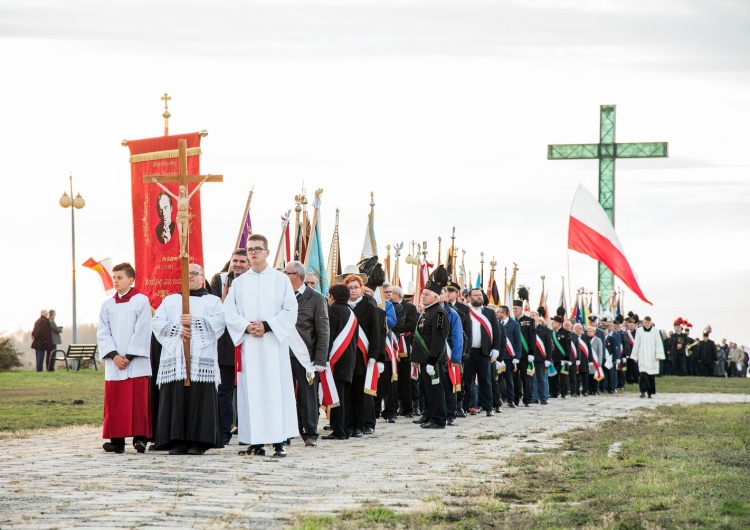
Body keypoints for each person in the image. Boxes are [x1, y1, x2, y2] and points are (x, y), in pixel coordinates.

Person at [223, 234, 299, 458]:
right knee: (251, 393)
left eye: (258, 248)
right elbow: (228, 311)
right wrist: (246, 326)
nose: (253, 252)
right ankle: (254, 441)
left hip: (273, 344)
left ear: (267, 252)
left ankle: (278, 440)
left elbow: (290, 310)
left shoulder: (280, 279)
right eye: (250, 249)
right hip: (250, 346)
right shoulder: (239, 283)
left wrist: (267, 326)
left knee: (275, 391)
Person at [152, 263, 225, 455]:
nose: (190, 276)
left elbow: (219, 324)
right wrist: (177, 329)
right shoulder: (170, 300)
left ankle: (199, 442)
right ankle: (177, 441)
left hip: (201, 358)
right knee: (176, 398)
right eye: (187, 273)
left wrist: (195, 323)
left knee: (200, 398)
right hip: (176, 358)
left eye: (194, 273)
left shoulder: (213, 301)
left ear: (203, 278)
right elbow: (157, 322)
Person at [97, 262, 152, 454]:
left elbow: (143, 329)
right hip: (115, 362)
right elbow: (103, 332)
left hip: (136, 361)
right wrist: (114, 355)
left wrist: (128, 356)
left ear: (131, 279)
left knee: (138, 401)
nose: (116, 281)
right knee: (116, 401)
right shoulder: (108, 305)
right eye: (114, 278)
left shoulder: (141, 301)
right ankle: (117, 441)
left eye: (120, 278)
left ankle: (140, 439)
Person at [283, 260, 330, 447]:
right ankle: (284, 432)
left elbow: (323, 330)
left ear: (297, 276)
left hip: (305, 355)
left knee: (308, 396)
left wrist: (320, 359)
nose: (283, 276)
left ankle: (309, 432)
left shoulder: (316, 298)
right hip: (283, 353)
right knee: (284, 394)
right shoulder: (281, 296)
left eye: (286, 273)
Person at [209, 248, 250, 444]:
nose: (238, 264)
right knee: (224, 390)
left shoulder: (254, 282)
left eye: (243, 261)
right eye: (235, 261)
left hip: (246, 341)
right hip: (224, 344)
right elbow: (214, 308)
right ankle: (224, 431)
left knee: (247, 390)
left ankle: (247, 430)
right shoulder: (220, 280)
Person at [341, 271, 380, 437]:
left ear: (361, 288)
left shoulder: (369, 307)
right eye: (350, 288)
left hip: (362, 356)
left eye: (356, 287)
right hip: (345, 356)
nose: (353, 291)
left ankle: (360, 425)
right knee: (347, 394)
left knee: (360, 393)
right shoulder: (342, 307)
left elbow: (375, 333)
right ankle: (348, 424)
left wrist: (373, 355)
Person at [411, 265, 449, 429]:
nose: (422, 296)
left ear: (435, 297)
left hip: (433, 360)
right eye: (422, 294)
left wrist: (433, 360)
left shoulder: (439, 313)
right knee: (427, 389)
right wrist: (415, 359)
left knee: (435, 390)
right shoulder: (426, 312)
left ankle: (439, 419)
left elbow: (439, 339)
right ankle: (430, 416)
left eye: (426, 295)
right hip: (424, 359)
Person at [322, 283, 358, 440]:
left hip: (336, 360)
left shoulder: (334, 310)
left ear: (332, 297)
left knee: (336, 398)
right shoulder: (351, 312)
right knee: (345, 398)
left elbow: (329, 336)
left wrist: (323, 357)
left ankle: (339, 431)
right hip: (349, 360)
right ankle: (344, 428)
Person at [462, 287, 501, 416]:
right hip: (468, 352)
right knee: (466, 381)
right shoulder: (465, 311)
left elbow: (497, 332)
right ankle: (464, 407)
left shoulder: (489, 313)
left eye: (480, 295)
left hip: (484, 352)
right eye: (475, 295)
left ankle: (488, 408)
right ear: (469, 297)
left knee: (486, 381)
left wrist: (495, 348)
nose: (478, 297)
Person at [152, 174, 212, 258]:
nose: (182, 191)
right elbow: (167, 190)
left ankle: (184, 251)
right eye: (180, 190)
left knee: (185, 234)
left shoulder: (188, 198)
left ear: (185, 190)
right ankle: (182, 251)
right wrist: (157, 182)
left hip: (185, 217)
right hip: (179, 218)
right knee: (180, 234)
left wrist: (205, 179)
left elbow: (197, 188)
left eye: (183, 189)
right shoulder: (178, 198)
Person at [392, 285, 418, 417]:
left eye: (391, 293)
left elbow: (412, 325)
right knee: (392, 378)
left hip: (404, 346)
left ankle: (407, 408)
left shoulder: (409, 307)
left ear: (396, 294)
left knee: (405, 378)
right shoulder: (388, 306)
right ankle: (394, 406)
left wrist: (395, 328)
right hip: (391, 346)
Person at [630, 316, 665, 398]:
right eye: (645, 322)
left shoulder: (655, 331)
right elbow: (636, 344)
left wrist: (658, 355)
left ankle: (650, 392)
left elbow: (659, 344)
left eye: (648, 322)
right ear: (643, 322)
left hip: (652, 356)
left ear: (651, 322)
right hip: (642, 355)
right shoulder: (639, 331)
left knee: (650, 374)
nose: (647, 324)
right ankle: (642, 391)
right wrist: (635, 356)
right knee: (642, 374)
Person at [495, 305, 518, 408]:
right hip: (497, 356)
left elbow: (517, 341)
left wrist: (517, 356)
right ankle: (498, 399)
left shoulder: (514, 324)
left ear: (503, 313)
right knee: (497, 379)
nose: (497, 313)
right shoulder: (495, 323)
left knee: (509, 379)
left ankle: (510, 399)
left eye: (498, 312)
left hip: (509, 356)